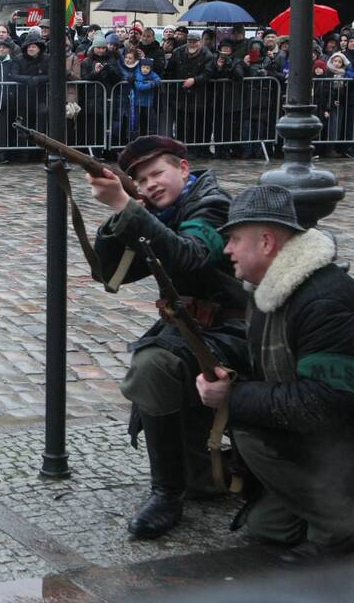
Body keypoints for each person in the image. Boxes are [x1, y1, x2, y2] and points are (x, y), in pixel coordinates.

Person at [89, 135, 247, 539]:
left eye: (157, 173)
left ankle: (167, 493)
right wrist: (121, 216)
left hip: (234, 328)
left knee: (151, 365)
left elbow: (189, 253)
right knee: (155, 366)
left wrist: (127, 206)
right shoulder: (159, 211)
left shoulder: (213, 205)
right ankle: (173, 488)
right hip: (186, 327)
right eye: (139, 180)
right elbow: (111, 275)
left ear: (183, 169)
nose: (149, 185)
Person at [198, 185, 354, 566]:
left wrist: (232, 397)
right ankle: (319, 511)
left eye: (234, 239)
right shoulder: (271, 289)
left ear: (266, 241)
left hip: (339, 441)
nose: (227, 250)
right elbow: (267, 363)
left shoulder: (323, 300)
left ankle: (341, 528)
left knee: (251, 435)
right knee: (268, 528)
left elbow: (326, 403)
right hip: (321, 440)